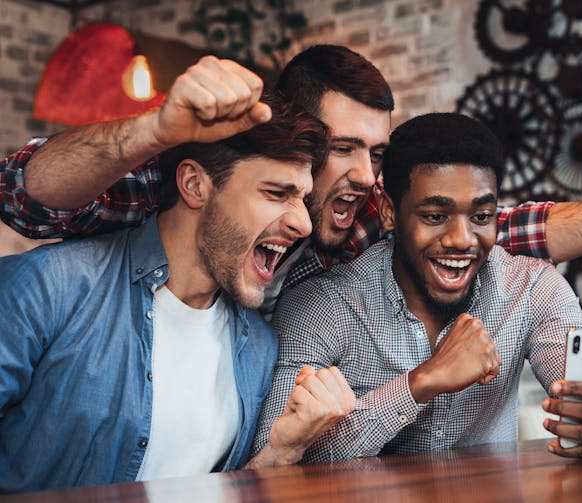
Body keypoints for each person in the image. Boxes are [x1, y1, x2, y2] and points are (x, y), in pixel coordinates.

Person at [0, 46, 582, 316]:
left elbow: (512, 225)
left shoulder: (364, 210)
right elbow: (22, 193)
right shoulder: (199, 187)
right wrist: (155, 128)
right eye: (342, 149)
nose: (364, 176)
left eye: (376, 154)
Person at [0, 92, 355, 493]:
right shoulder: (50, 286)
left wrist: (281, 452)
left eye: (303, 200)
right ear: (194, 185)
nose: (303, 225)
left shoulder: (257, 347)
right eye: (276, 193)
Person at [254, 113, 582, 463]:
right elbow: (279, 453)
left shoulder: (533, 289)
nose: (462, 239)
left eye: (481, 215)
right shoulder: (321, 306)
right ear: (391, 213)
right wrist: (421, 383)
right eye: (435, 215)